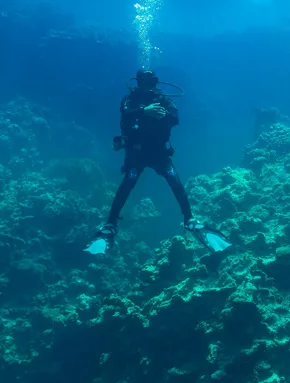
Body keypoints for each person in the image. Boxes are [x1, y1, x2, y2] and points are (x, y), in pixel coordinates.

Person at [85, 70, 231, 255]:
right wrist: (144, 112)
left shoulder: (163, 100)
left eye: (152, 81)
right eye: (146, 81)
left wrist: (161, 116)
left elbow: (175, 118)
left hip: (158, 152)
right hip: (136, 151)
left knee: (174, 180)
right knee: (128, 182)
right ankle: (111, 224)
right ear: (138, 82)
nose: (150, 85)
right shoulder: (129, 100)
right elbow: (125, 113)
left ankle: (190, 219)